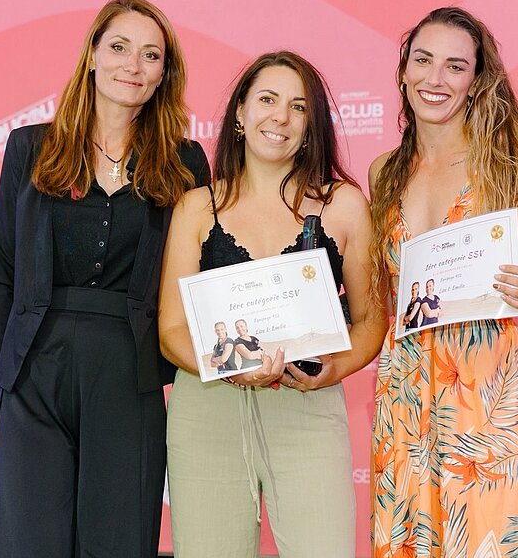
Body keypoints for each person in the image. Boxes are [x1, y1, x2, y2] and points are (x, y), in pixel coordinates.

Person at [0, 0, 210, 557]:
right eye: (120, 48)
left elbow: (200, 279)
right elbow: (3, 275)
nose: (133, 65)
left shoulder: (185, 163)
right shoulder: (30, 148)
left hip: (129, 375)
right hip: (34, 368)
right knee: (27, 542)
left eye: (151, 55)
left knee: (118, 541)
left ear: (164, 74)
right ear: (92, 57)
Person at [158, 51, 388, 558]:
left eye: (298, 106)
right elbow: (172, 329)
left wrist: (332, 371)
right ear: (240, 113)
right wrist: (229, 369)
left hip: (307, 403)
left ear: (311, 127)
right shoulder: (197, 207)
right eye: (266, 99)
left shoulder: (344, 205)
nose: (280, 116)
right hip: (207, 411)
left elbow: (373, 318)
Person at [368, 7, 518, 558]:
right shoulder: (383, 172)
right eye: (423, 60)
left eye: (455, 66)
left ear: (476, 80)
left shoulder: (510, 167)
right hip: (407, 389)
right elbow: (385, 295)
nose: (435, 80)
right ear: (403, 70)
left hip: (488, 390)